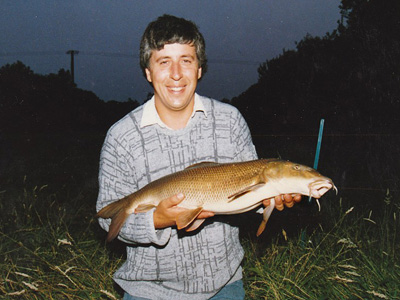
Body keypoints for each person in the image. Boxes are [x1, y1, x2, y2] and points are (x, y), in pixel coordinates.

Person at [96, 14, 301, 300]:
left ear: (200, 69)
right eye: (164, 62)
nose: (176, 73)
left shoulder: (230, 121)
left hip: (224, 287)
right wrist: (158, 219)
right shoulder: (121, 137)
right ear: (148, 72)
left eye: (187, 60)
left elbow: (247, 195)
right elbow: (108, 219)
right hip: (149, 292)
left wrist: (271, 200)